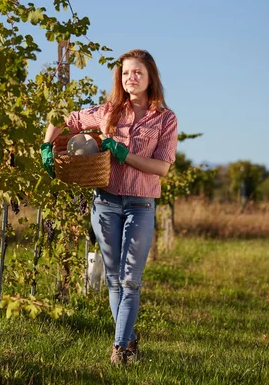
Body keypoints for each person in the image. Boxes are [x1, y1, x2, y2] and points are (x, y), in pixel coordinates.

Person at [40, 49, 178, 366]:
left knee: (131, 279)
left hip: (141, 204)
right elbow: (64, 117)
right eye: (126, 73)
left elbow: (162, 168)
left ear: (150, 77)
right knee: (114, 278)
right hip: (105, 202)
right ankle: (128, 342)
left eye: (138, 72)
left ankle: (118, 349)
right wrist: (48, 146)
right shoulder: (109, 112)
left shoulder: (165, 119)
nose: (131, 78)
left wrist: (124, 154)